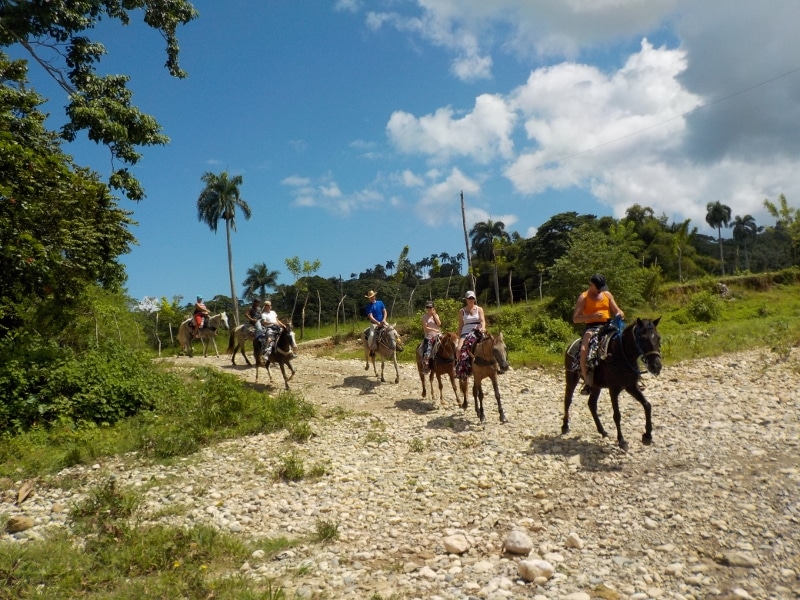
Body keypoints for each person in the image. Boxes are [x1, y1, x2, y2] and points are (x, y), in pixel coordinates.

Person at [572, 273, 624, 395]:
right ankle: (587, 381)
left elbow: (617, 310)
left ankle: (633, 376)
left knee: (625, 343)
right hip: (592, 327)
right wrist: (592, 316)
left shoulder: (607, 295)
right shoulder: (584, 297)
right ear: (591, 285)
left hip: (608, 325)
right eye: (598, 288)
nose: (600, 290)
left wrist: (620, 313)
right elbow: (576, 319)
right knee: (584, 350)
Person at [456, 290, 486, 355]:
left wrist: (483, 328)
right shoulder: (461, 311)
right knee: (458, 349)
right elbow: (461, 325)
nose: (471, 300)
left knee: (489, 345)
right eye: (469, 298)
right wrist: (459, 336)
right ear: (466, 299)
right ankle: (459, 361)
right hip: (466, 332)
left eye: (472, 298)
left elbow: (482, 320)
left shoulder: (479, 309)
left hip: (478, 331)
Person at [420, 300, 441, 374]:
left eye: (430, 307)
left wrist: (434, 315)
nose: (429, 309)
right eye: (427, 307)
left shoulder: (436, 315)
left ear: (433, 308)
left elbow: (439, 324)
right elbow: (425, 328)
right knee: (427, 352)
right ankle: (426, 367)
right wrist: (434, 329)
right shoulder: (424, 317)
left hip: (438, 335)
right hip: (429, 337)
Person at [364, 290, 387, 357]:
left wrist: (384, 319)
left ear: (375, 296)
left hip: (383, 321)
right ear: (369, 298)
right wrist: (377, 322)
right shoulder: (368, 306)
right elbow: (371, 316)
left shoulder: (380, 303)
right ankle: (371, 349)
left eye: (372, 296)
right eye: (370, 297)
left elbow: (384, 311)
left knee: (392, 329)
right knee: (371, 335)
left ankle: (397, 344)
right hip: (374, 324)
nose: (372, 298)